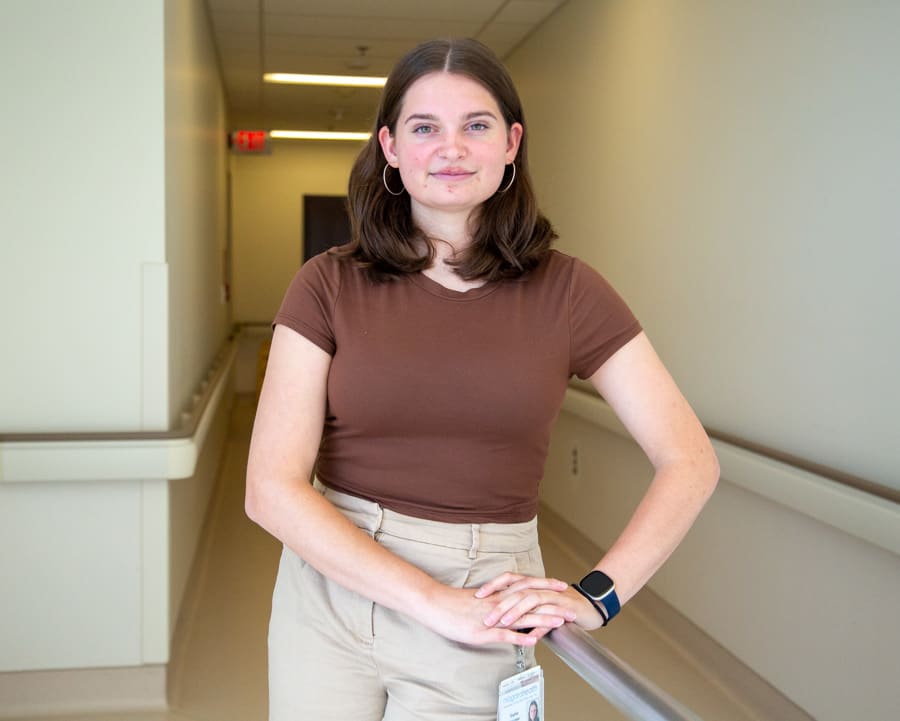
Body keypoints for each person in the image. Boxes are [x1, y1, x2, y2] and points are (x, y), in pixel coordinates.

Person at [246, 37, 719, 721]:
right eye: (424, 127)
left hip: (487, 594)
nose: (451, 147)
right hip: (328, 591)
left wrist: (599, 593)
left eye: (476, 125)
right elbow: (270, 488)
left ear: (510, 143)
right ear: (390, 148)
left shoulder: (571, 292)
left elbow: (690, 459)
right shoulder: (326, 284)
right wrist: (431, 600)